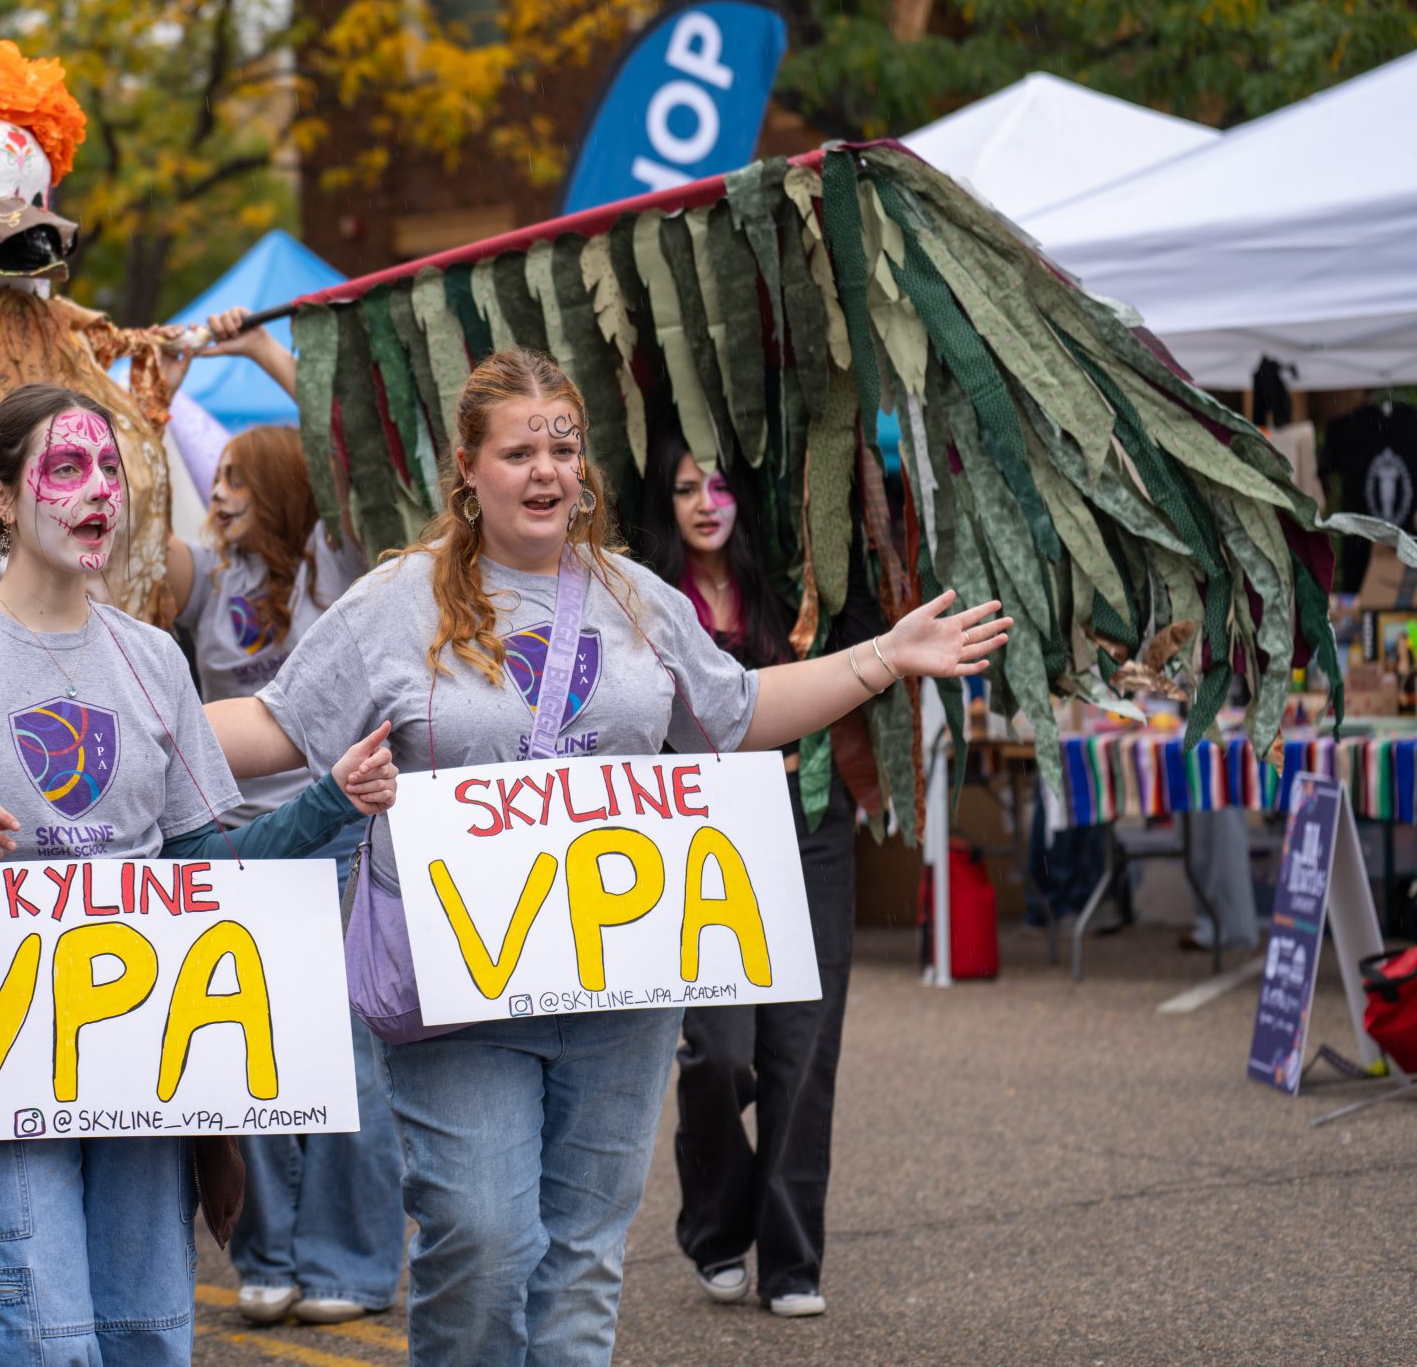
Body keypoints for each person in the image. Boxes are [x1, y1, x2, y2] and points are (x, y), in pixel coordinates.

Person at [203, 349, 1010, 1367]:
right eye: (517, 451)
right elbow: (278, 726)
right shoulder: (392, 605)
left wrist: (883, 656)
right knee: (484, 1239)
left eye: (563, 448)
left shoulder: (636, 596)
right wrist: (139, 731)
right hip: (459, 993)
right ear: (467, 466)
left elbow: (737, 711)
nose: (546, 470)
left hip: (620, 986)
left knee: (582, 1260)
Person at [0, 382, 400, 1367]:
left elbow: (205, 863)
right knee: (40, 1343)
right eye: (66, 467)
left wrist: (329, 801)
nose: (99, 491)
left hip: (142, 1065)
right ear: (0, 499)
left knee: (145, 1339)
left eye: (109, 470)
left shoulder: (153, 660)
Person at [156, 409, 401, 1329]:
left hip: (340, 831)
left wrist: (258, 349)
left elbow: (353, 455)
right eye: (211, 477)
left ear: (281, 491)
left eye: (235, 478)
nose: (215, 493)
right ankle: (265, 1251)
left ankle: (352, 1261)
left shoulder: (333, 565)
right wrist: (153, 397)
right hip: (231, 839)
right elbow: (146, 516)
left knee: (348, 1055)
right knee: (242, 1043)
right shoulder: (204, 573)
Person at [636, 437, 861, 1319]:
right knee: (721, 1053)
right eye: (686, 486)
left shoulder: (790, 587)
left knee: (804, 1050)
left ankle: (794, 1262)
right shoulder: (648, 597)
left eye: (720, 484)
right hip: (702, 840)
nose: (704, 501)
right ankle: (717, 1228)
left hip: (808, 826)